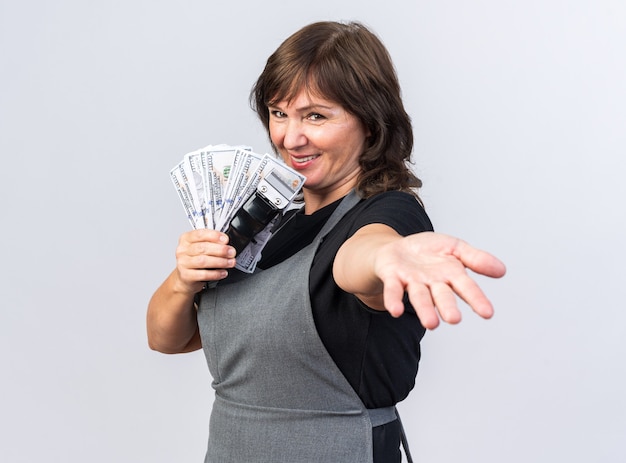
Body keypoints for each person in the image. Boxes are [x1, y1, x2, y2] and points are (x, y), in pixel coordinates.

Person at [147, 20, 506, 463]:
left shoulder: (388, 214)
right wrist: (184, 280)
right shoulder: (264, 215)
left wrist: (387, 255)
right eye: (280, 113)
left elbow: (356, 258)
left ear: (371, 124)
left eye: (316, 115)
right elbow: (168, 339)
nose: (290, 138)